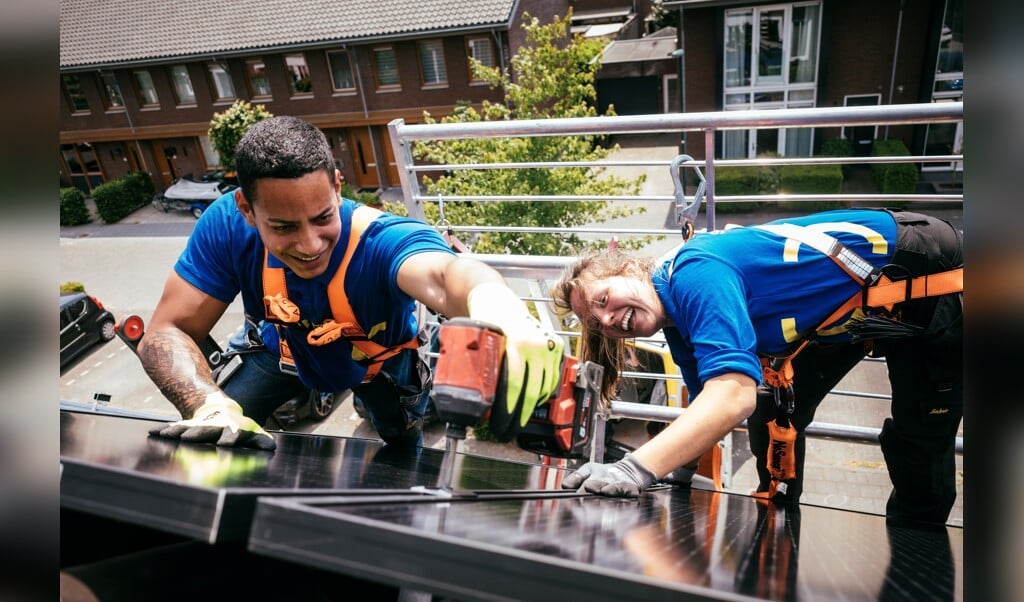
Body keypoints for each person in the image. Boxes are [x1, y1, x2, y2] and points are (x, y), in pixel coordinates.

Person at [137, 116, 564, 451]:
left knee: (401, 443)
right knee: (215, 440)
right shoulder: (228, 226)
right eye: (283, 227)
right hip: (281, 351)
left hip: (379, 366)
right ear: (247, 209)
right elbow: (167, 329)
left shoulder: (382, 241)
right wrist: (205, 403)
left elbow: (445, 274)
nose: (309, 245)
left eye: (323, 217)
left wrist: (497, 303)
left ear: (338, 186)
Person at [551, 208, 963, 526]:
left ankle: (919, 556)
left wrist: (634, 467)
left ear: (627, 270)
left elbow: (733, 396)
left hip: (927, 274)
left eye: (603, 300)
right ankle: (778, 539)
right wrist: (677, 470)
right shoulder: (676, 322)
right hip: (854, 311)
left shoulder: (695, 274)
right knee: (772, 420)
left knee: (919, 444)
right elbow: (705, 403)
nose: (607, 321)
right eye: (595, 322)